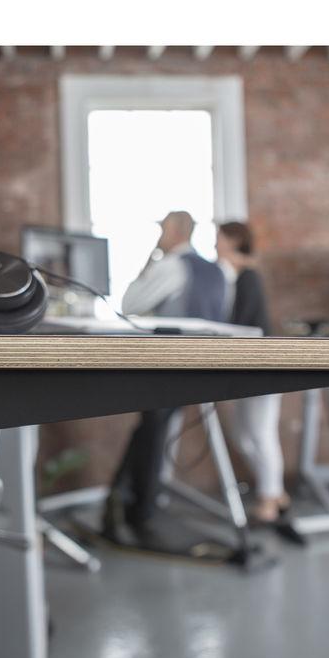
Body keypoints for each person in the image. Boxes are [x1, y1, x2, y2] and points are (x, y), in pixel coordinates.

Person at [103, 211, 226, 542]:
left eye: (163, 228)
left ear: (175, 230)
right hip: (204, 368)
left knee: (151, 431)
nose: (160, 234)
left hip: (170, 366)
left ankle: (137, 510)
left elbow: (129, 303)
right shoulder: (214, 270)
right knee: (152, 430)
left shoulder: (172, 266)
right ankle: (130, 503)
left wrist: (150, 258)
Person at [216, 221, 290, 524]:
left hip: (263, 366)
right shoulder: (234, 278)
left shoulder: (248, 277)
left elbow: (243, 324)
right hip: (247, 368)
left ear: (233, 241)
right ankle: (277, 493)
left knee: (260, 433)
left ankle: (269, 500)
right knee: (243, 435)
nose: (215, 245)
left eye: (219, 239)